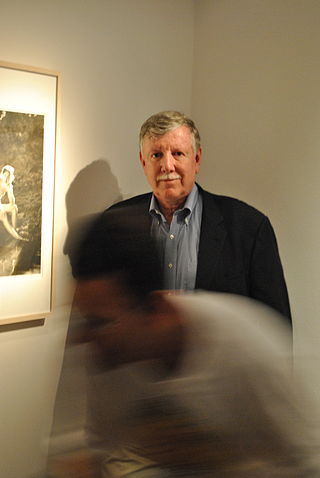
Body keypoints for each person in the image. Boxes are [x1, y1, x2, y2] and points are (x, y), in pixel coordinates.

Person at [48, 209, 319, 477]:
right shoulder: (108, 356)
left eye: (98, 323)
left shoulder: (248, 348)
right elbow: (94, 449)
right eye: (83, 321)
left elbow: (309, 460)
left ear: (154, 307)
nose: (85, 339)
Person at [109, 111, 291, 323]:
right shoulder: (115, 223)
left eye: (178, 153)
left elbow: (276, 326)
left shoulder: (249, 227)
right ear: (143, 162)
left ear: (196, 159)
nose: (167, 166)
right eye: (156, 155)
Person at [0, 164, 25, 240]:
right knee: (3, 215)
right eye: (4, 175)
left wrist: (10, 189)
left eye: (7, 176)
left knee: (14, 208)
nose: (5, 177)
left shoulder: (7, 185)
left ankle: (14, 230)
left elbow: (12, 202)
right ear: (2, 173)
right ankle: (17, 237)